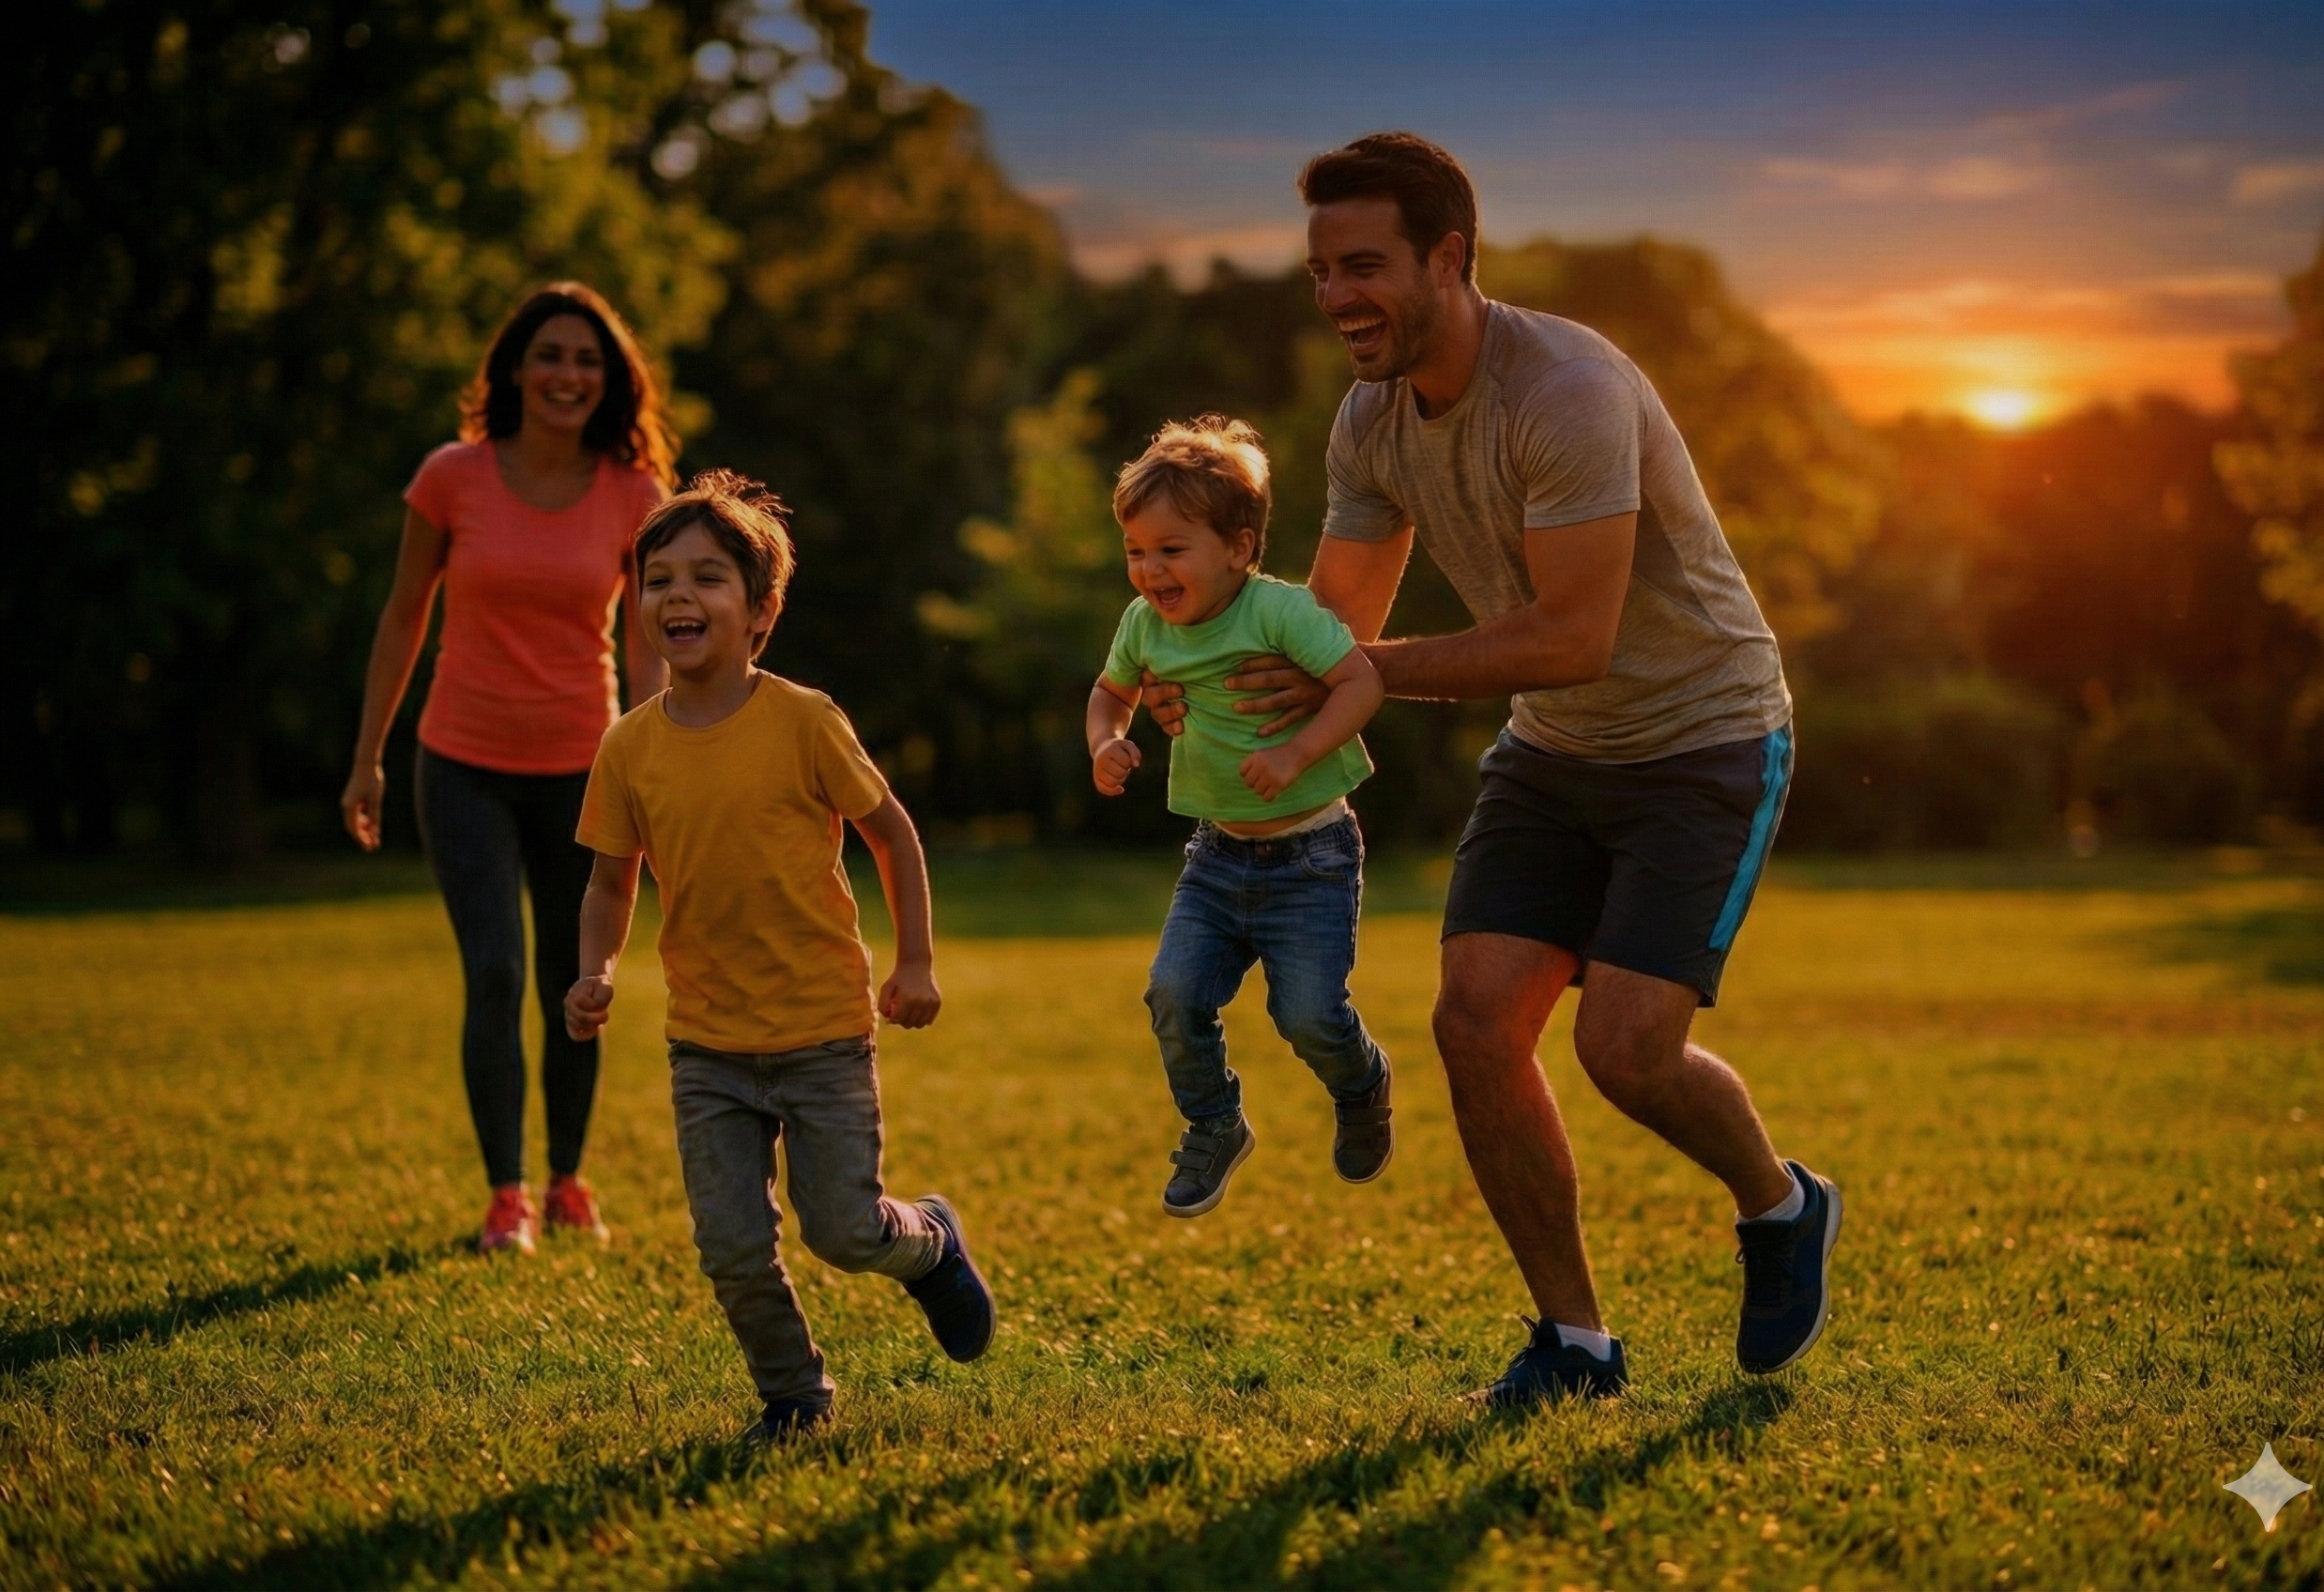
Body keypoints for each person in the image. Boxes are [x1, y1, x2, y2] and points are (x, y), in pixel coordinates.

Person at [1151, 133, 1841, 1404]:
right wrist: (1199, 665)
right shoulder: (1370, 421)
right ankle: (1575, 1346)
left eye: (1364, 266)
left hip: (1705, 738)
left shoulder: (1564, 390)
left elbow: (1571, 637)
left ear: (1449, 259)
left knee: (1628, 1053)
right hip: (1554, 750)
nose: (1336, 296)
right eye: (1319, 271)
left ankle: (1781, 1204)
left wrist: (1353, 676)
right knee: (1475, 1026)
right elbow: (1335, 629)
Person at [564, 470, 994, 1442]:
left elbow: (889, 830)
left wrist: (915, 961)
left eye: (707, 578)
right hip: (706, 1045)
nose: (678, 596)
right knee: (730, 1247)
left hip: (821, 1034)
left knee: (842, 1230)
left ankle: (926, 1245)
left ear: (760, 611)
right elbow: (606, 881)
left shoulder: (802, 719)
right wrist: (596, 971)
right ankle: (794, 1393)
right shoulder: (628, 747)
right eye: (658, 577)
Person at [341, 283, 672, 1255]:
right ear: (514, 369)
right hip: (462, 763)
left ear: (608, 381)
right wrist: (367, 757)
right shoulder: (452, 476)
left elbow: (650, 639)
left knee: (580, 981)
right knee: (493, 970)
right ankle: (507, 1195)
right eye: (550, 355)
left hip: (587, 767)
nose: (568, 374)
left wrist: (657, 759)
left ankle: (569, 1176)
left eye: (586, 360)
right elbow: (404, 615)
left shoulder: (632, 491)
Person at [1086, 418, 1394, 1218]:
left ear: (1239, 547)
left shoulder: (1281, 614)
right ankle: (1214, 1123)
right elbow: (1110, 693)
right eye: (1136, 552)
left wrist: (1297, 754)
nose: (1150, 570)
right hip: (1218, 858)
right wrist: (1106, 743)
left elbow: (1361, 685)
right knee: (1172, 994)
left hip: (1312, 856)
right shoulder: (1143, 626)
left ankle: (1362, 1085)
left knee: (1309, 1016)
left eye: (1171, 549)